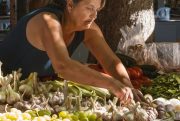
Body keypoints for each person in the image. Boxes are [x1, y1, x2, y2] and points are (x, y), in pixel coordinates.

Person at [0, 0, 148, 103]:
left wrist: (128, 89)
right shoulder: (47, 21)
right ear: (70, 4)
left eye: (97, 10)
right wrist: (112, 83)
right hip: (4, 89)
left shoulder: (88, 28)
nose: (94, 15)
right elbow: (63, 66)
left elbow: (110, 61)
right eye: (90, 8)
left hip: (26, 92)